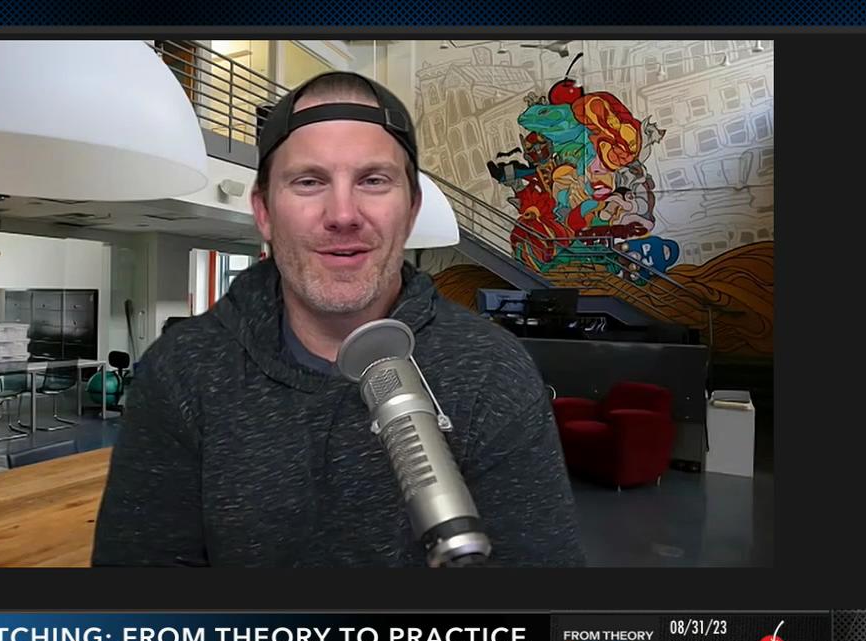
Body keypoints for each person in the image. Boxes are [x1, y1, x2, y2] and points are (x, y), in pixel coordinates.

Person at [92, 71, 584, 568]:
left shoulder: (493, 371)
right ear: (264, 212)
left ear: (411, 210)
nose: (343, 214)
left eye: (373, 180)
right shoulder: (182, 370)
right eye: (309, 181)